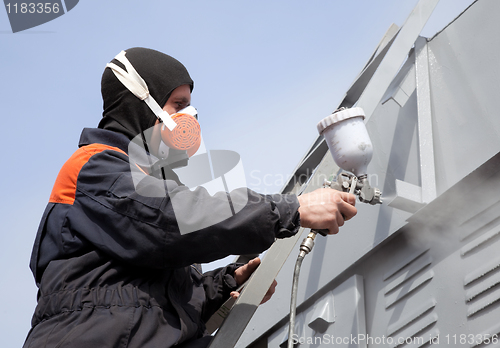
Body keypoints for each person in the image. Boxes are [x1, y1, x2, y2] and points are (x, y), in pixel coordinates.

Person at [23, 47, 357, 348]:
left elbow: (151, 301)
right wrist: (291, 209)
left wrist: (224, 284)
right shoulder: (94, 168)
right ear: (140, 106)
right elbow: (171, 220)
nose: (190, 117)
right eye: (178, 105)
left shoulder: (147, 185)